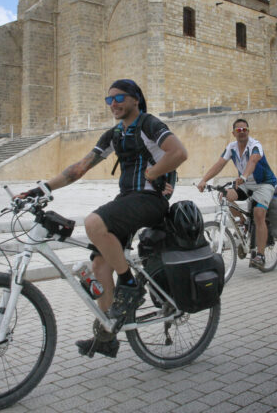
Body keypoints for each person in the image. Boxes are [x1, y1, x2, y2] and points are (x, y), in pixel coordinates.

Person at [17, 79, 187, 358]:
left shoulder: (149, 124)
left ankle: (129, 285)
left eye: (119, 98)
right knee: (99, 265)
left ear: (135, 99)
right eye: (109, 100)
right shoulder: (114, 135)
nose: (113, 104)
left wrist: (153, 173)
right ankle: (108, 334)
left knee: (94, 223)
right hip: (128, 200)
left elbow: (179, 153)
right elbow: (79, 168)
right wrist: (43, 188)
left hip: (151, 200)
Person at [196, 118, 277, 268]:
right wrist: (204, 180)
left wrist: (244, 176)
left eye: (245, 129)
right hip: (245, 183)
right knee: (224, 196)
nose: (242, 132)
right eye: (238, 130)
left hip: (264, 184)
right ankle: (243, 223)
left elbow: (253, 161)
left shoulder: (255, 145)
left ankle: (260, 255)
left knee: (258, 213)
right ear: (233, 133)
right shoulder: (231, 147)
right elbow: (219, 164)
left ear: (248, 131)